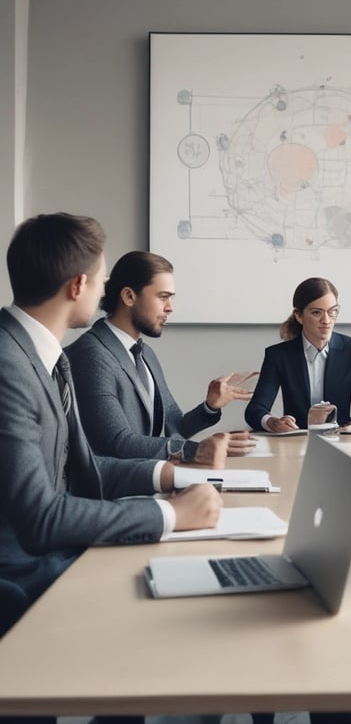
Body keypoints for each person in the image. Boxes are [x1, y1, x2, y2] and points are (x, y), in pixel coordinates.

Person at [0, 214, 222, 642]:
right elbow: (40, 518)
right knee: (187, 621)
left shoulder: (48, 358)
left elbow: (82, 468)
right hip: (23, 577)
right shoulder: (10, 366)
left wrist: (172, 475)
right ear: (77, 285)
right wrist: (171, 514)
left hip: (54, 555)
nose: (105, 289)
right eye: (102, 279)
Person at [67, 251, 255, 465]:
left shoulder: (145, 353)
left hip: (152, 474)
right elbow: (116, 443)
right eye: (163, 297)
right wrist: (197, 450)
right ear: (129, 296)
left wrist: (210, 405)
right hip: (119, 484)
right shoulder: (91, 355)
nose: (170, 307)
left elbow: (174, 427)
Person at [245, 277, 351, 433]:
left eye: (332, 312)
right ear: (299, 315)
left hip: (340, 439)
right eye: (316, 312)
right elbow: (255, 410)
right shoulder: (278, 355)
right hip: (296, 440)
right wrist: (272, 422)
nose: (326, 320)